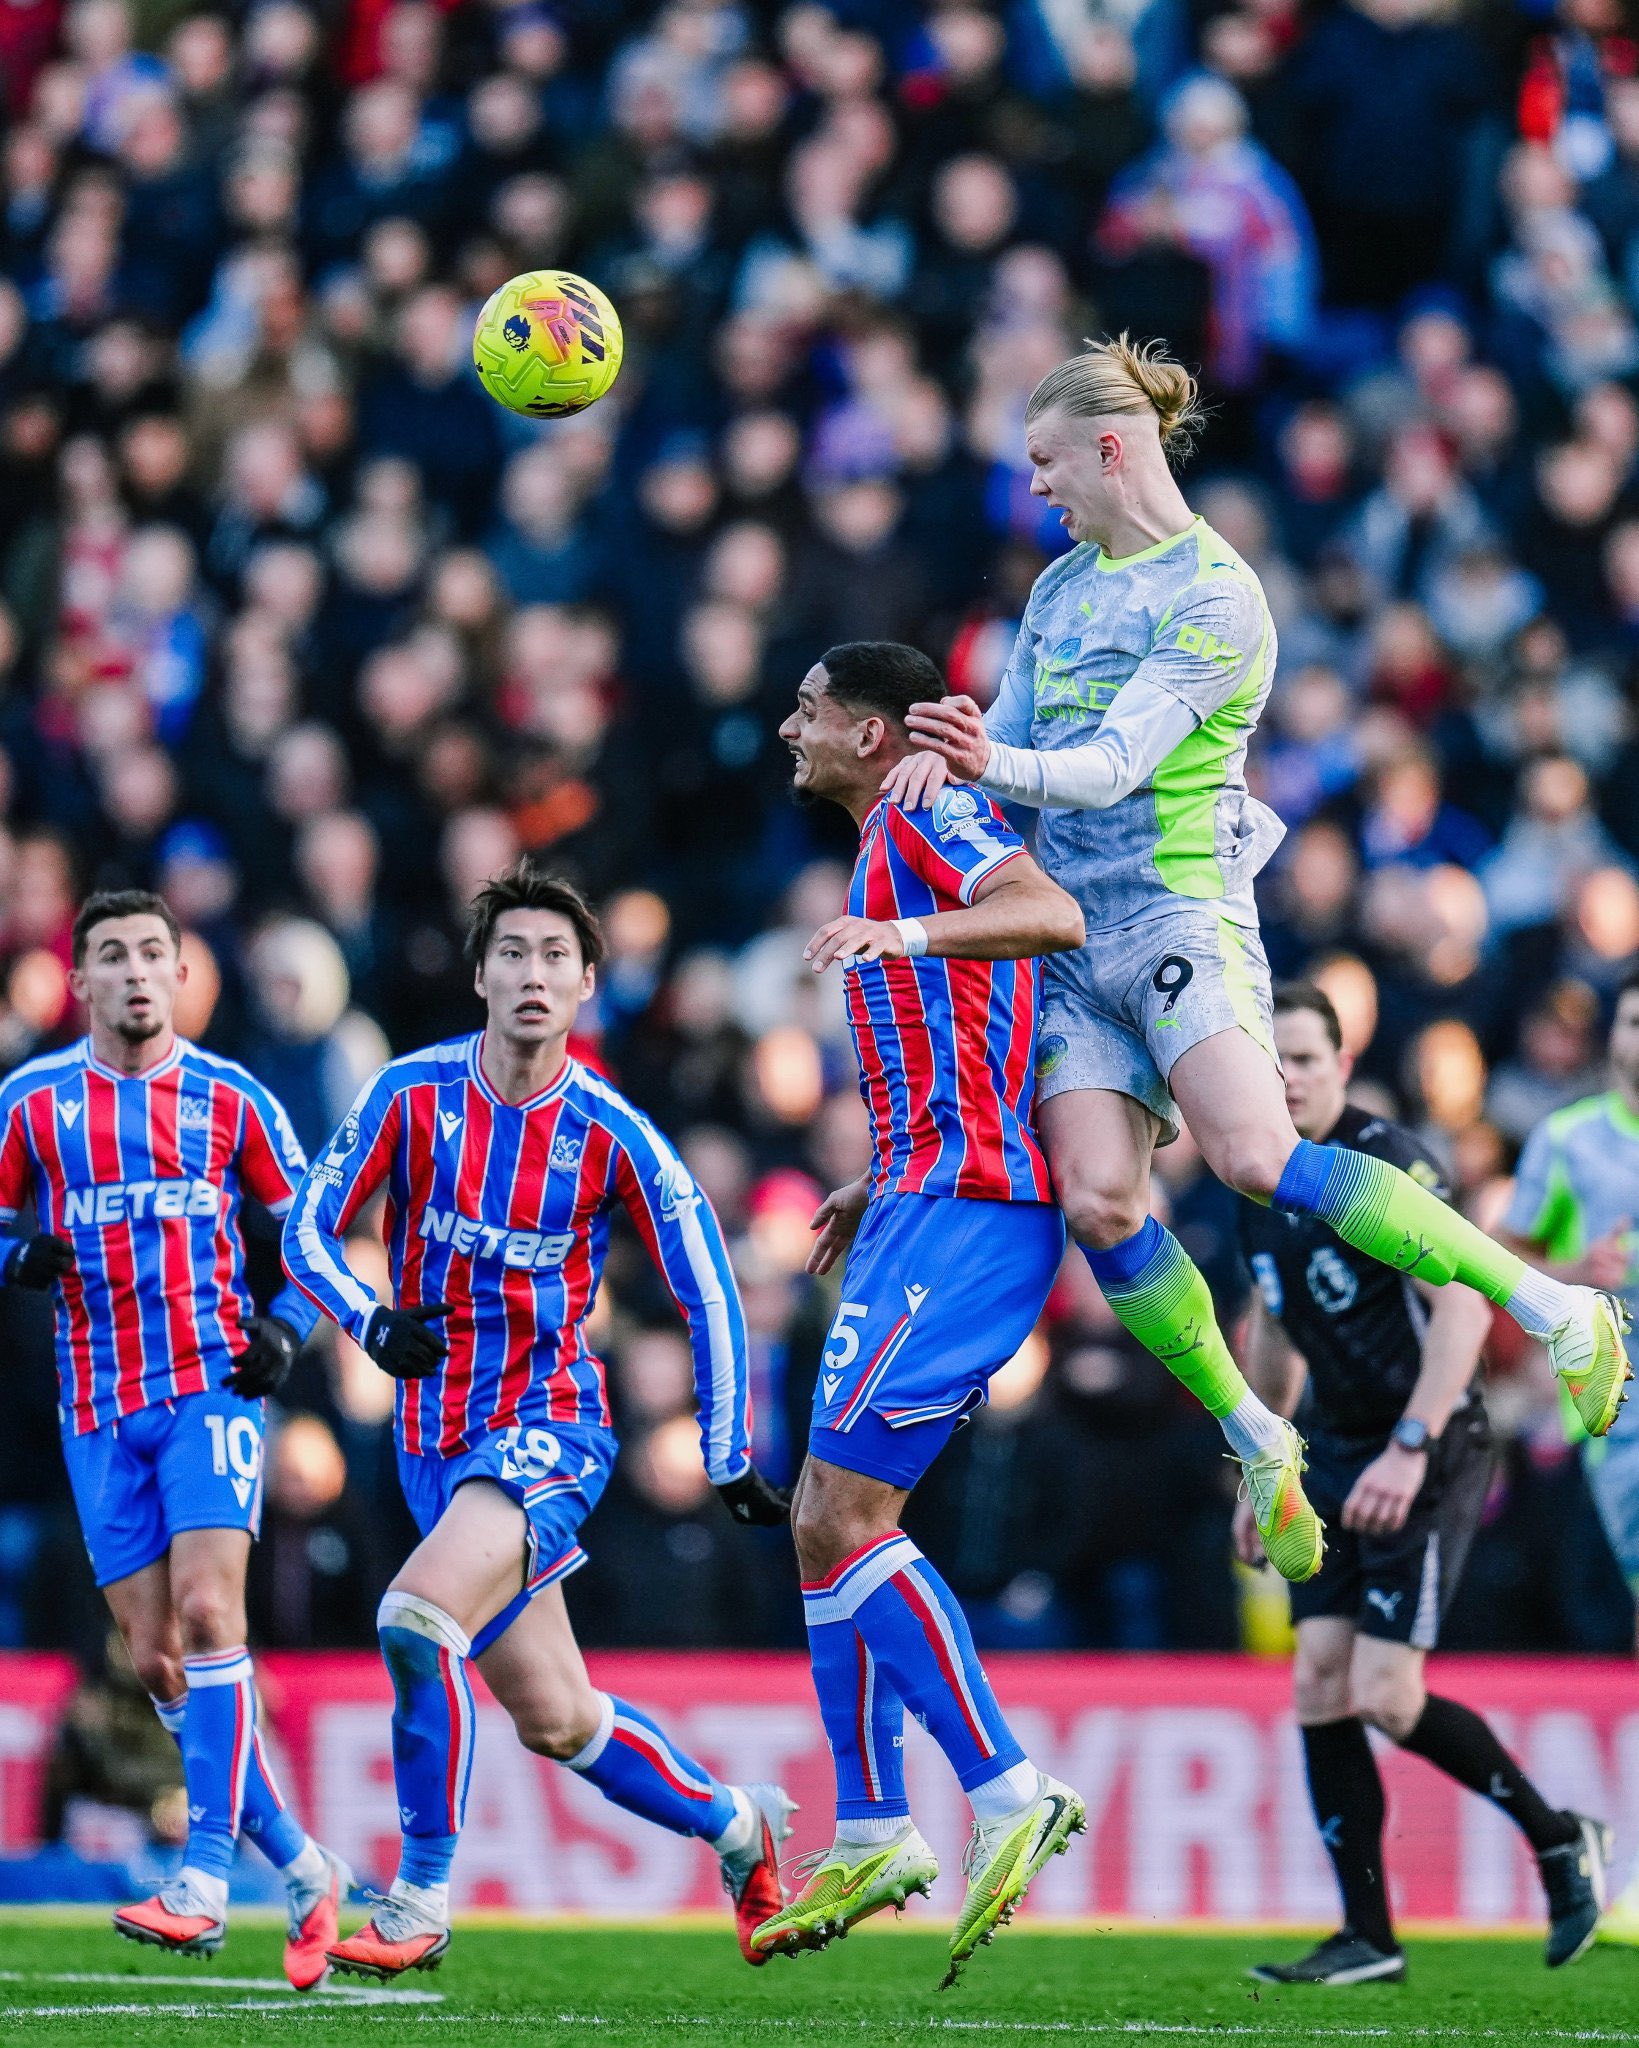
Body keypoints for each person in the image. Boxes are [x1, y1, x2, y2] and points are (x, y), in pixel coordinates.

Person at [885, 335, 1632, 1580]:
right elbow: (1006, 745)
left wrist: (990, 764)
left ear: (1109, 448)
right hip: (1069, 939)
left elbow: (1111, 764)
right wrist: (928, 773)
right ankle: (1255, 1429)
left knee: (1253, 1155)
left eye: (1044, 462)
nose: (1036, 489)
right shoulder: (1057, 591)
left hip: (1177, 913)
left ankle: (1557, 1308)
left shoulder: (1218, 595)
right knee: (1100, 1200)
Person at [281, 859, 793, 1981]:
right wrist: (368, 1321)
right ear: (478, 976)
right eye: (511, 952)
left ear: (586, 985)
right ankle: (734, 1822)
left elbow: (707, 1277)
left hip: (547, 1428)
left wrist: (723, 1447)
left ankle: (419, 1892)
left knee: (415, 1619)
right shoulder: (410, 1094)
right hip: (431, 1441)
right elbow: (307, 1230)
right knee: (558, 1717)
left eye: (555, 956)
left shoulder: (612, 1129)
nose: (532, 972)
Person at [751, 642, 1086, 1986]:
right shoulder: (883, 829)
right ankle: (877, 1823)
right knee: (817, 1518)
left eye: (810, 712)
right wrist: (869, 1175)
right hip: (916, 1197)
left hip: (971, 1209)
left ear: (874, 734)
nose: (790, 728)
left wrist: (909, 929)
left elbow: (1045, 914)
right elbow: (964, 1034)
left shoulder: (930, 808)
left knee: (843, 1517)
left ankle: (1004, 1793)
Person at [0, 889, 343, 1986]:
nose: (138, 970)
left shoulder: (232, 1097)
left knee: (208, 1613)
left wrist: (287, 1329)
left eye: (156, 952)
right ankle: (299, 1861)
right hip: (97, 1405)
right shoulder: (34, 1101)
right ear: (82, 979)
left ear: (182, 975)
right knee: (153, 1655)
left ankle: (201, 1870)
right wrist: (12, 1254)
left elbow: (313, 1232)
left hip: (209, 1386)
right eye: (114, 954)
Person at [1237, 984, 1609, 1985]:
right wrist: (1259, 1467)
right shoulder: (1259, 1181)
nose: (1286, 1076)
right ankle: (1369, 1935)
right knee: (1316, 1678)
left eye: (1306, 1057)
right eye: (1269, 1059)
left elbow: (1458, 1301)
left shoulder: (1384, 1165)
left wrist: (1412, 1441)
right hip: (1331, 1446)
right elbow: (1273, 1329)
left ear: (1343, 1065)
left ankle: (1558, 1832)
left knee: (1383, 1692)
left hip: (1429, 1440)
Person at [1503, 964, 1639, 1950]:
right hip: (1617, 1425)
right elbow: (1500, 1257)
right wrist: (1572, 1270)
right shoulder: (1567, 1137)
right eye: (1635, 1016)